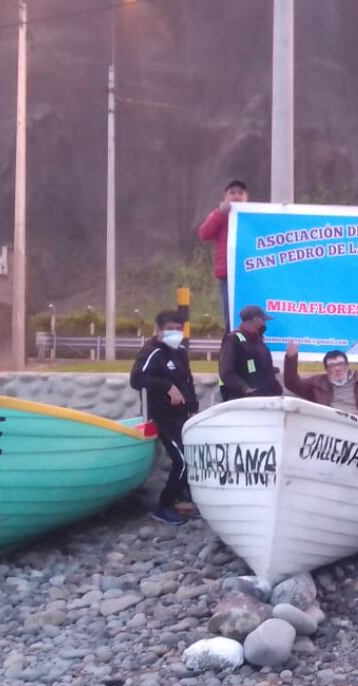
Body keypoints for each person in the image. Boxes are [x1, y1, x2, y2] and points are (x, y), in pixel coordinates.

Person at [130, 310, 200, 525]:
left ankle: (182, 497)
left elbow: (187, 381)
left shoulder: (179, 351)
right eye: (170, 329)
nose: (175, 333)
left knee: (193, 456)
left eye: (179, 329)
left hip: (182, 416)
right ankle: (164, 505)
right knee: (182, 460)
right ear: (159, 330)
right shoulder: (152, 352)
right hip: (161, 416)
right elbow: (137, 378)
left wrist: (193, 407)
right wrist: (166, 386)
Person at [283, 341, 358, 423]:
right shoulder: (317, 383)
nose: (337, 369)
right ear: (326, 369)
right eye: (332, 366)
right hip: (332, 428)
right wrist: (291, 358)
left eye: (340, 364)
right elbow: (292, 384)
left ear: (347, 365)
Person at [197, 179, 248, 332]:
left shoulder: (255, 215)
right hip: (228, 274)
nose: (236, 196)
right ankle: (230, 348)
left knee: (253, 313)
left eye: (240, 193)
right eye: (232, 193)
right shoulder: (220, 215)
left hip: (252, 274)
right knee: (231, 314)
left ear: (247, 196)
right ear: (225, 197)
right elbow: (204, 234)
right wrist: (220, 214)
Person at [218, 305, 283, 400]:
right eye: (263, 320)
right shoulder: (233, 339)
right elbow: (226, 372)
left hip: (263, 398)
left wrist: (275, 386)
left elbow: (261, 366)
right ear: (255, 319)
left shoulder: (258, 341)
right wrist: (244, 388)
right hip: (241, 400)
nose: (265, 325)